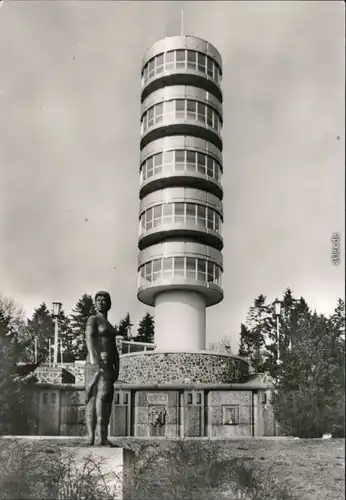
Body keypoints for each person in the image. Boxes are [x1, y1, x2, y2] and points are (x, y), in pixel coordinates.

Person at [84, 291, 119, 446]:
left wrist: (117, 367)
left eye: (104, 300)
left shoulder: (109, 325)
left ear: (109, 303)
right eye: (98, 300)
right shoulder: (93, 319)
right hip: (96, 363)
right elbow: (89, 337)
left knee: (105, 399)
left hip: (108, 365)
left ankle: (102, 436)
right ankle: (92, 437)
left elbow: (114, 347)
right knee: (94, 398)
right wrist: (93, 359)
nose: (101, 302)